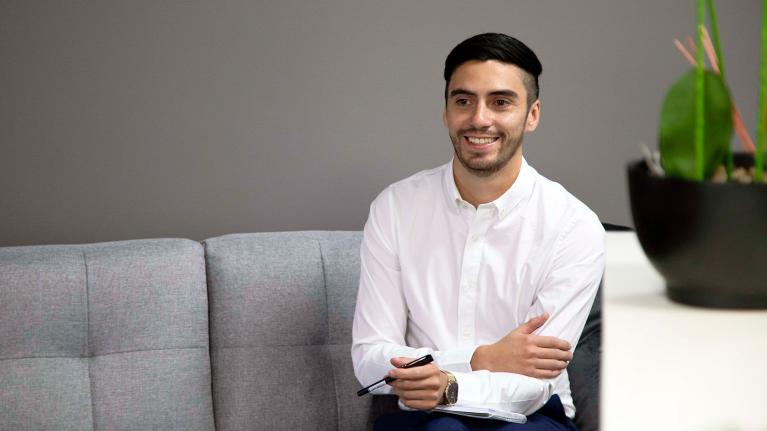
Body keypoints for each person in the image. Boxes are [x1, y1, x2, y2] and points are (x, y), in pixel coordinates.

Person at [351, 33, 604, 431]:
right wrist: (479, 359)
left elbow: (535, 382)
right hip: (423, 418)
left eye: (500, 102)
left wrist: (449, 384)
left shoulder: (573, 226)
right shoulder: (395, 208)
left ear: (532, 115)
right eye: (463, 100)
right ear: (446, 111)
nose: (479, 118)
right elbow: (369, 360)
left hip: (532, 417)